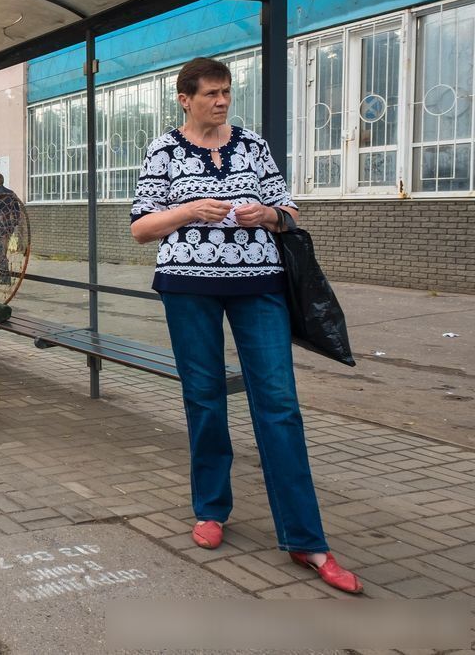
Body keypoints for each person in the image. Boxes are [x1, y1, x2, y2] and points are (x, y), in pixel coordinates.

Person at [130, 56, 361, 594]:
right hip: (188, 287)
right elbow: (142, 227)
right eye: (211, 93)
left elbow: (289, 210)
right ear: (184, 99)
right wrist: (188, 212)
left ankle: (306, 538)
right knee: (205, 398)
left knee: (279, 404)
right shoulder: (162, 149)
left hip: (259, 284)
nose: (222, 101)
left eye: (227, 92)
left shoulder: (253, 145)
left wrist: (269, 216)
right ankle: (211, 508)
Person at [0, 174, 23, 285]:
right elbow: (17, 211)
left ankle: (5, 278)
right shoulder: (11, 193)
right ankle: (5, 276)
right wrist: (13, 224)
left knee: (0, 252)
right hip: (8, 227)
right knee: (4, 251)